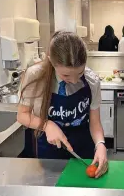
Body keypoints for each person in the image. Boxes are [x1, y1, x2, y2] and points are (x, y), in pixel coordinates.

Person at [17, 31, 108, 178]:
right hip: (48, 149)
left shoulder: (92, 81)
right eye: (65, 75)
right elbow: (22, 115)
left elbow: (95, 123)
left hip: (82, 147)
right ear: (51, 62)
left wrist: (100, 144)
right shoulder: (35, 76)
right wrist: (47, 125)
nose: (73, 80)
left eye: (79, 74)